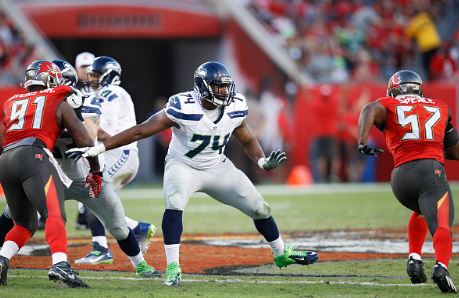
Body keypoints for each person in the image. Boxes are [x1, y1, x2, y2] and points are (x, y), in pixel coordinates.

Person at [67, 61, 319, 286]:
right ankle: (173, 267)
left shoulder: (236, 105)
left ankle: (281, 253)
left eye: (225, 86)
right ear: (203, 87)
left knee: (260, 208)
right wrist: (100, 147)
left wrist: (262, 161)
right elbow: (142, 130)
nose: (224, 91)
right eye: (218, 87)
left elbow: (246, 135)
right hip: (183, 166)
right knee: (174, 204)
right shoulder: (183, 105)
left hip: (218, 166)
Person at [0, 59, 161, 278]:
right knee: (13, 214)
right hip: (54, 174)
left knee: (118, 225)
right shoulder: (49, 105)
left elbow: (90, 137)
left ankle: (140, 265)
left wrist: (95, 170)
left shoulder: (85, 104)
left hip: (84, 175)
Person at [0, 60, 102, 288]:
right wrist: (95, 169)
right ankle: (60, 265)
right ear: (51, 79)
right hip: (34, 157)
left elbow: (3, 137)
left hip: (6, 160)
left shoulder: (11, 101)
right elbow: (85, 140)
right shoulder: (58, 96)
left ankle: (2, 258)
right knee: (55, 214)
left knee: (24, 224)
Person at [357, 69, 458, 293]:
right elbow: (456, 150)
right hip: (430, 172)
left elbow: (368, 109)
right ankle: (442, 267)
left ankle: (414, 259)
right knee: (442, 223)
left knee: (422, 210)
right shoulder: (440, 106)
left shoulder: (389, 104)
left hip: (400, 178)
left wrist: (362, 142)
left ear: (395, 90)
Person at [75, 56, 154, 265]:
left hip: (121, 154)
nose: (90, 78)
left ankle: (101, 248)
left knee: (91, 192)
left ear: (108, 75)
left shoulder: (111, 93)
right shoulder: (102, 93)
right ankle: (137, 228)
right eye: (90, 74)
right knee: (95, 199)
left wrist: (75, 131)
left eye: (95, 75)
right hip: (118, 153)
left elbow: (104, 133)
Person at [73, 51, 95, 230]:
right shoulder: (70, 89)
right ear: (76, 69)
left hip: (94, 139)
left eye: (90, 67)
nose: (87, 71)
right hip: (75, 139)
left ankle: (85, 214)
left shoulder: (102, 90)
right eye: (83, 67)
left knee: (93, 175)